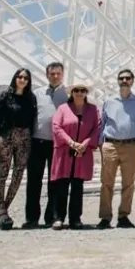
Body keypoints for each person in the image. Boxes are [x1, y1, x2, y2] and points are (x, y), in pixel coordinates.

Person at [97, 68, 135, 229]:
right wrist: (100, 142)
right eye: (121, 78)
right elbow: (103, 122)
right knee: (106, 182)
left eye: (128, 78)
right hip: (110, 144)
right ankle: (105, 217)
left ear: (132, 81)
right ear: (118, 81)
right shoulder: (109, 101)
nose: (124, 81)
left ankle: (123, 216)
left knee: (129, 183)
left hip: (131, 145)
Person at [0, 68, 37, 230]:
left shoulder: (31, 98)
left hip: (24, 139)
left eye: (26, 78)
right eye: (20, 77)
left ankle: (4, 210)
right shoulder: (5, 96)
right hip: (6, 138)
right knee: (2, 175)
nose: (23, 80)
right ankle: (2, 212)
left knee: (18, 175)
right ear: (15, 78)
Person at [50, 84, 102, 230]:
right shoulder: (62, 109)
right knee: (61, 185)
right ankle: (58, 217)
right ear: (71, 93)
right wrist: (71, 142)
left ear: (86, 93)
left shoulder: (93, 110)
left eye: (83, 91)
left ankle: (75, 218)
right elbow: (56, 127)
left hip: (82, 153)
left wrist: (84, 144)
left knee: (78, 187)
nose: (79, 93)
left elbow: (96, 128)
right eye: (76, 91)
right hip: (65, 152)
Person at [24, 61, 67, 229]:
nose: (55, 76)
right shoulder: (37, 94)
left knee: (55, 182)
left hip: (58, 145)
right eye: (52, 73)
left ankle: (52, 217)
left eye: (58, 73)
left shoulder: (68, 95)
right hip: (37, 142)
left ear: (62, 74)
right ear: (46, 75)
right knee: (34, 181)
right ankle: (32, 218)